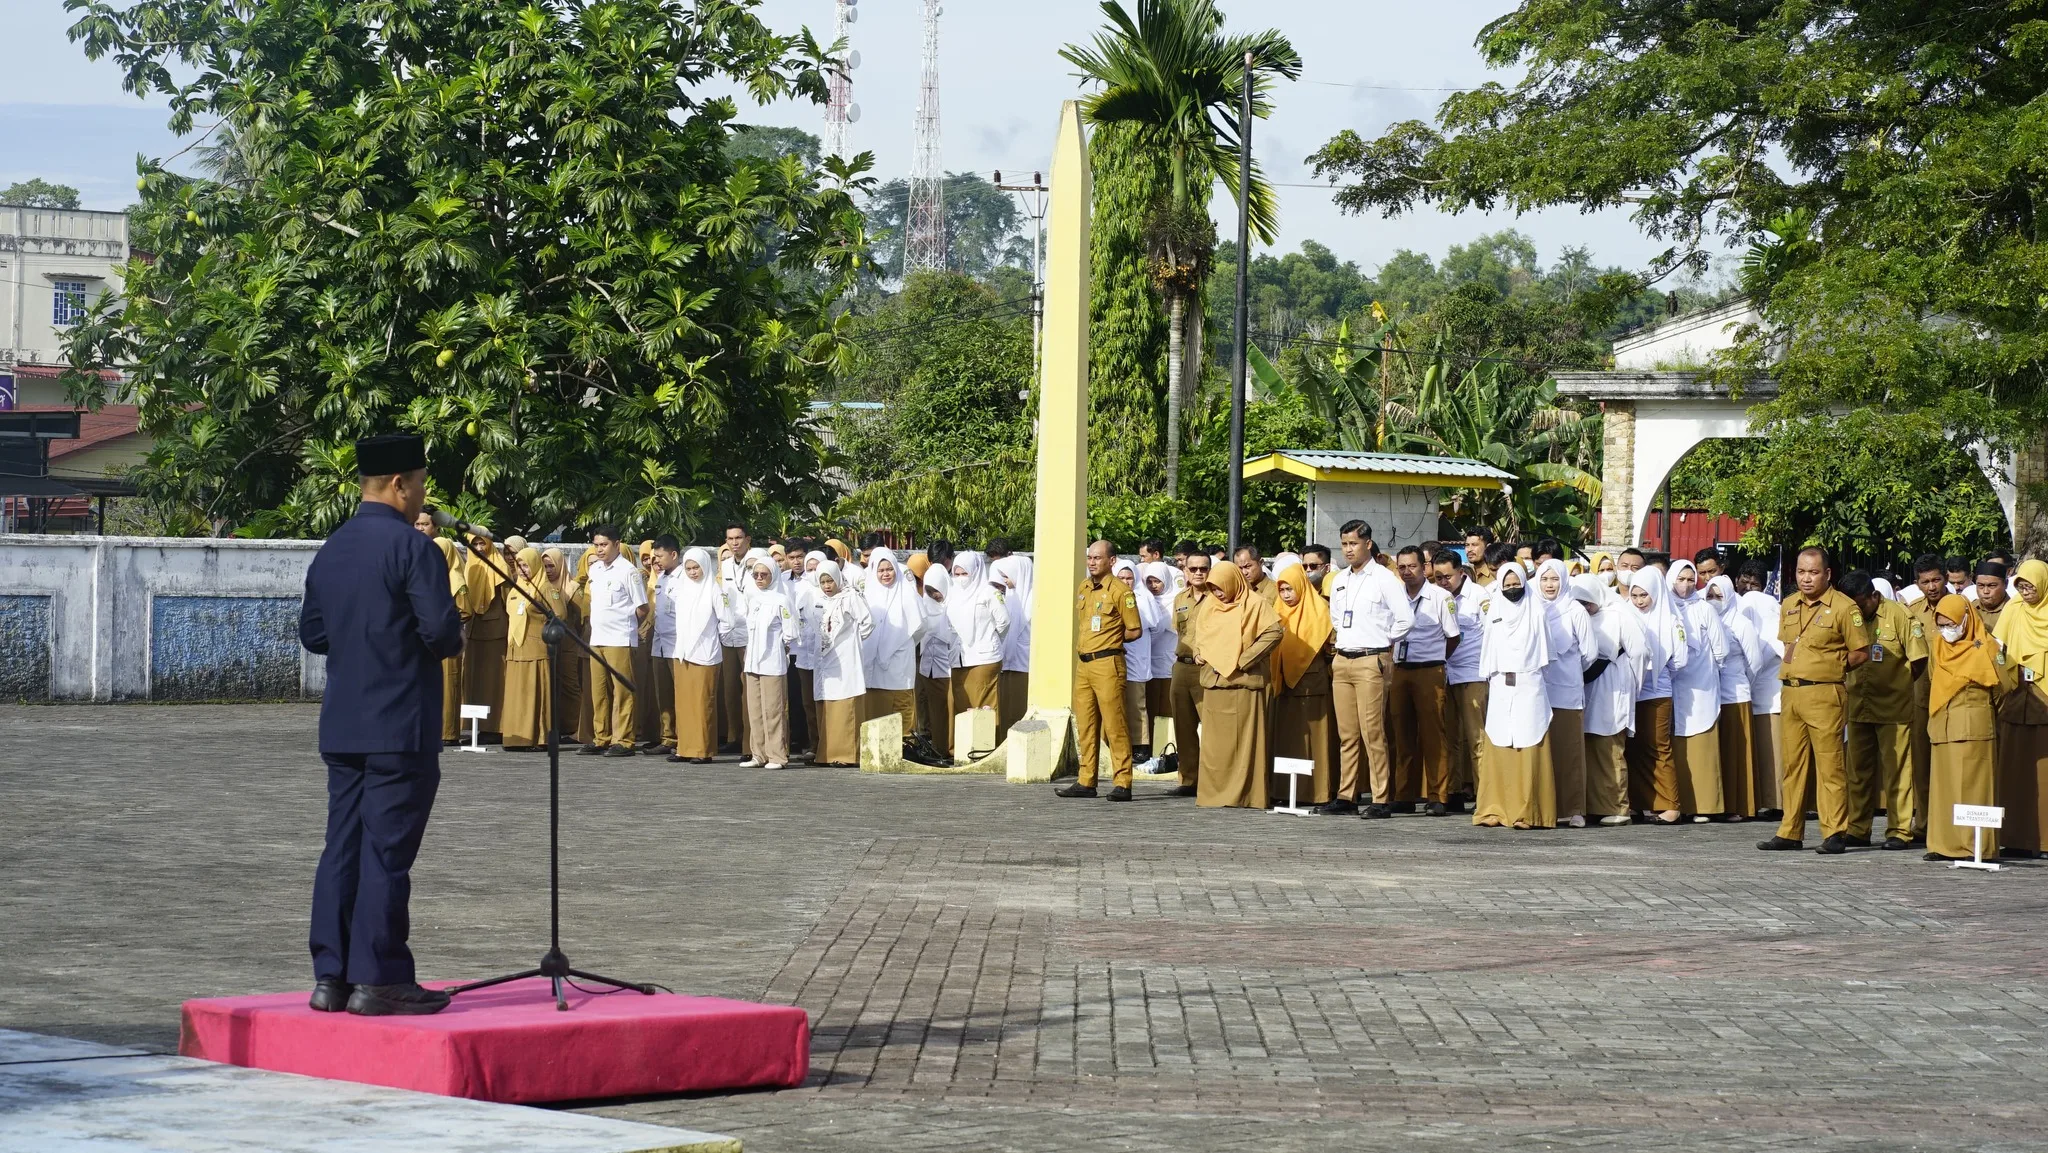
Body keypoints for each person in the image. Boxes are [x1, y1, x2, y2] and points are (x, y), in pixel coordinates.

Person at [299, 433, 464, 1016]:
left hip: (343, 724)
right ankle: (380, 978)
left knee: (342, 847)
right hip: (400, 725)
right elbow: (442, 634)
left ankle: (331, 977)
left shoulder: (333, 548)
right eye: (419, 483)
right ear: (399, 484)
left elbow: (313, 635)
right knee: (387, 853)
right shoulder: (413, 550)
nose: (422, 495)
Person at [1757, 547, 1871, 855]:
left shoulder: (1845, 608)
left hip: (1825, 693)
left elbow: (1861, 651)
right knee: (1793, 765)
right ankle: (1790, 831)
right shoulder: (1790, 604)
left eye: (1813, 572)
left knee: (1830, 766)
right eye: (1801, 572)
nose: (1806, 579)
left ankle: (1835, 831)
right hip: (1791, 691)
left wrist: (1833, 667)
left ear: (1827, 574)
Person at [1322, 520, 1414, 817]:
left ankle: (1381, 797)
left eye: (1353, 544)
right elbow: (1336, 616)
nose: (1348, 549)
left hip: (1371, 658)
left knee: (1372, 731)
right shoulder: (1339, 579)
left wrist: (1383, 640)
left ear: (1368, 544)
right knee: (1347, 733)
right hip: (1343, 657)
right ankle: (1346, 795)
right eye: (1344, 544)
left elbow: (1405, 619)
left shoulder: (1384, 579)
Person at [1188, 562, 1284, 808]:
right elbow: (1199, 633)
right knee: (1214, 747)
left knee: (1245, 745)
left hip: (1244, 684)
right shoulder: (1210, 605)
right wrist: (1198, 652)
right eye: (1213, 587)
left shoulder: (1255, 603)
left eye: (1221, 587)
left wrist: (1244, 660)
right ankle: (1213, 795)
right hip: (1214, 682)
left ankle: (1246, 795)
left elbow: (1274, 632)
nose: (1218, 592)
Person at [1842, 570, 1924, 849]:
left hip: (1893, 706)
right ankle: (1858, 828)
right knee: (1857, 771)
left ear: (1874, 596)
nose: (1858, 610)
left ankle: (1899, 831)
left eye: (1862, 604)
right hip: (1858, 702)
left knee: (1897, 771)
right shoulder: (1848, 615)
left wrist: (1898, 684)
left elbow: (1919, 660)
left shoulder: (1899, 615)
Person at [1055, 541, 1143, 800]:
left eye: (1097, 558)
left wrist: (1111, 640)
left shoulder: (1120, 591)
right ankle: (1086, 779)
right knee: (1085, 723)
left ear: (1112, 561)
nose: (1092, 562)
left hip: (1108, 662)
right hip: (1084, 663)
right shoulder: (1084, 588)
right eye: (1089, 557)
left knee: (1115, 724)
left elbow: (1134, 629)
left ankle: (1123, 781)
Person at [1474, 561, 1554, 829]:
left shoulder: (1537, 611)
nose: (1511, 589)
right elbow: (1487, 647)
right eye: (1506, 585)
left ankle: (1528, 813)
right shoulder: (1494, 610)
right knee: (1498, 746)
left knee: (1529, 747)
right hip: (1499, 685)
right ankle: (1493, 809)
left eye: (1516, 584)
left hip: (1529, 684)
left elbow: (1546, 653)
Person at [1926, 593, 2006, 862]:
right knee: (1943, 787)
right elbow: (1931, 677)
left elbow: (2005, 687)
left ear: (1966, 620)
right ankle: (1943, 845)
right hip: (1942, 724)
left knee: (1974, 787)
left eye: (1951, 623)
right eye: (1941, 624)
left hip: (1974, 729)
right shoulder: (1938, 646)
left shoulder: (1987, 647)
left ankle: (1975, 848)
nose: (1947, 630)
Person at [1390, 545, 1460, 815]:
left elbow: (1453, 637)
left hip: (1430, 669)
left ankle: (1438, 796)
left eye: (1412, 566)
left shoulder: (1440, 597)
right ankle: (1404, 794)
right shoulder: (1394, 596)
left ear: (1424, 568)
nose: (1407, 572)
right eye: (1402, 567)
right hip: (1400, 669)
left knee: (1433, 735)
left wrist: (1437, 660)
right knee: (1401, 734)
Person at [1992, 559, 2048, 858]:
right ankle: (2014, 837)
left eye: (2031, 586)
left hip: (2045, 698)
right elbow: (1997, 646)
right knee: (2014, 770)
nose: (2027, 592)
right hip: (2016, 694)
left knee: (2044, 773)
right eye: (2022, 586)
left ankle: (2044, 840)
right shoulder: (2013, 610)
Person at [1271, 559, 1338, 805]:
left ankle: (1317, 792)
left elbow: (1332, 648)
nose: (1286, 595)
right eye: (1282, 589)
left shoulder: (1321, 609)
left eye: (1290, 588)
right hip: (1283, 685)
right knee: (1287, 739)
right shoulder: (1276, 610)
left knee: (1315, 739)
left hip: (1312, 686)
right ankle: (1282, 791)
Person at [1535, 558, 1596, 826]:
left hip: (1568, 692)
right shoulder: (1532, 607)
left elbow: (1590, 653)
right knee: (1543, 752)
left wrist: (1569, 671)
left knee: (1569, 752)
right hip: (1538, 691)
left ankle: (1574, 809)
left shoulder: (1574, 610)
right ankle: (1547, 807)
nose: (1550, 585)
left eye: (1555, 579)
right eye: (1545, 579)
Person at [1579, 574, 1644, 825]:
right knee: (1590, 747)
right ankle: (1592, 805)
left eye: (1587, 602)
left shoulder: (1619, 614)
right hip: (1588, 689)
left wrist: (1633, 688)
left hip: (1613, 688)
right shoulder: (1579, 617)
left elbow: (1639, 652)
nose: (1584, 607)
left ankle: (1617, 807)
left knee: (1610, 749)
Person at [579, 526, 648, 757]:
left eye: (604, 544)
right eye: (596, 544)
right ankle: (601, 738)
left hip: (619, 638)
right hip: (597, 638)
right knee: (598, 691)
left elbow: (642, 608)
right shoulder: (595, 570)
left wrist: (627, 627)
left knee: (622, 691)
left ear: (617, 544)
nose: (600, 549)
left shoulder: (629, 572)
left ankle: (624, 740)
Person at [1666, 560, 1727, 820]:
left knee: (1702, 746)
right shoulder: (1664, 608)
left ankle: (1705, 806)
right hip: (1672, 685)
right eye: (1681, 579)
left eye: (1691, 580)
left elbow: (1721, 649)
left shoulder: (1704, 609)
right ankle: (1678, 804)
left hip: (1701, 685)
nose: (1686, 584)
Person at [662, 547, 734, 764]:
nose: (693, 572)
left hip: (705, 654)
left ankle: (702, 750)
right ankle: (685, 748)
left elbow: (727, 620)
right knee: (683, 704)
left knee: (703, 703)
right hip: (683, 653)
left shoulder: (714, 590)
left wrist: (714, 638)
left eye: (697, 568)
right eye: (689, 568)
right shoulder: (683, 589)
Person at [1624, 569, 1685, 824]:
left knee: (1659, 747)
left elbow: (1680, 660)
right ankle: (1641, 802)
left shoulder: (1671, 620)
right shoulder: (1627, 615)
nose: (1639, 601)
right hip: (1632, 691)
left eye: (1644, 595)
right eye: (1635, 595)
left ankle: (1671, 804)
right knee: (1635, 748)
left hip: (1657, 692)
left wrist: (1658, 673)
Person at [1705, 574, 1763, 819]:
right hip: (1711, 695)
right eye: (1710, 595)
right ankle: (1719, 804)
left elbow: (1756, 662)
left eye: (1719, 596)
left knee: (1736, 752)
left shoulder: (1740, 623)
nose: (1714, 601)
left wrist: (1742, 684)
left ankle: (1739, 806)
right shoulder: (1703, 618)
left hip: (1735, 695)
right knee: (1719, 753)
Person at [1438, 550, 1489, 809]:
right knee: (1450, 739)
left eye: (1448, 576)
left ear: (1461, 572)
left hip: (1473, 674)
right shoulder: (1438, 597)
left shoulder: (1479, 596)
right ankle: (1453, 792)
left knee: (1477, 739)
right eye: (1438, 577)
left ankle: (1485, 796)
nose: (1443, 581)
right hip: (1447, 673)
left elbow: (1492, 632)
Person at [810, 560, 873, 766]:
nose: (827, 586)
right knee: (826, 702)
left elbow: (867, 622)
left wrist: (852, 642)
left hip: (845, 658)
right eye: (823, 582)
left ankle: (847, 755)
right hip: (824, 659)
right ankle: (826, 754)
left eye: (830, 581)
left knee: (845, 703)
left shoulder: (850, 596)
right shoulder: (817, 599)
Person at [1902, 554, 1948, 842]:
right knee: (1921, 760)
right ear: (1917, 584)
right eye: (1925, 582)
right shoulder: (1913, 612)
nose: (1931, 586)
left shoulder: (1960, 609)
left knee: (1949, 761)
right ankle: (1924, 824)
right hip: (1920, 695)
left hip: (1951, 696)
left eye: (1935, 580)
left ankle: (1949, 824)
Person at [739, 555, 796, 769]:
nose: (759, 578)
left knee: (773, 710)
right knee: (754, 709)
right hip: (753, 661)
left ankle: (777, 756)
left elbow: (790, 631)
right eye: (756, 575)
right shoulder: (753, 598)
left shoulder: (782, 599)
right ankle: (758, 753)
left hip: (772, 661)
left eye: (764, 574)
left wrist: (783, 648)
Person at [860, 548, 924, 739]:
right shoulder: (868, 595)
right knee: (875, 702)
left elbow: (919, 626)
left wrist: (901, 644)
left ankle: (905, 744)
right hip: (872, 660)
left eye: (889, 569)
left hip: (899, 659)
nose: (885, 574)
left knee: (900, 702)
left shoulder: (907, 593)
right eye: (881, 571)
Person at [1738, 569, 1785, 816]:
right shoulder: (1772, 632)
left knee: (1773, 755)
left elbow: (1755, 665)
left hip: (1769, 702)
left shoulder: (1768, 637)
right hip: (1766, 700)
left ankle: (1776, 802)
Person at [498, 546, 555, 751]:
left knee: (535, 694)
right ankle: (517, 738)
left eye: (526, 565)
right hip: (515, 647)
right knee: (517, 694)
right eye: (519, 565)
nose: (522, 569)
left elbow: (559, 616)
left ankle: (538, 738)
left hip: (536, 648)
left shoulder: (544, 588)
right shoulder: (516, 589)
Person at [1168, 551, 1212, 798]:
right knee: (1183, 727)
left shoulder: (1217, 598)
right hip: (1181, 665)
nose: (1197, 573)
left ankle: (1210, 779)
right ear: (1185, 571)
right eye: (1192, 569)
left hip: (1206, 668)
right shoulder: (1179, 598)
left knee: (1211, 726)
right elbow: (1178, 631)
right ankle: (1188, 779)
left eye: (1202, 569)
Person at [947, 551, 1010, 723]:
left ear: (975, 571)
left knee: (984, 710)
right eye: (957, 574)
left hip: (984, 659)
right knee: (963, 710)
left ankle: (987, 749)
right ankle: (964, 748)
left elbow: (1003, 621)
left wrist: (991, 639)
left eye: (965, 573)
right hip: (959, 658)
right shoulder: (953, 593)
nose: (961, 578)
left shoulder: (988, 592)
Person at [462, 533, 510, 743]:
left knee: (494, 681)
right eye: (475, 544)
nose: (480, 548)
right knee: (474, 680)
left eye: (483, 543)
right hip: (473, 630)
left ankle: (494, 728)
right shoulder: (469, 567)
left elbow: (510, 600)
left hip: (495, 631)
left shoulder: (500, 567)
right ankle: (476, 728)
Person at [429, 537, 473, 746]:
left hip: (449, 639)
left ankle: (448, 732)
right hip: (431, 640)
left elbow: (465, 610)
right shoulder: (431, 576)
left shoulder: (456, 580)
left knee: (449, 685)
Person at [643, 537, 685, 754]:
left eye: (659, 556)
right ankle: (668, 737)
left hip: (678, 644)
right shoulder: (660, 578)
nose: (655, 561)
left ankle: (684, 737)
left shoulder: (684, 578)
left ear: (673, 555)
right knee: (664, 693)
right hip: (660, 643)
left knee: (681, 694)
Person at [1113, 558, 1158, 762]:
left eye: (1129, 577)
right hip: (1116, 655)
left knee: (1137, 704)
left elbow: (1153, 624)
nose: (1125, 581)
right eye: (1121, 577)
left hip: (1137, 656)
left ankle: (1141, 745)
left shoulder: (1143, 598)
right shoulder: (1112, 596)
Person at [917, 564, 959, 757]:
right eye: (929, 590)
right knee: (935, 711)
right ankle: (940, 748)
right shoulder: (923, 605)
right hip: (929, 668)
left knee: (950, 709)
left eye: (937, 590)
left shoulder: (954, 604)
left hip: (948, 666)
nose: (934, 595)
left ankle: (953, 747)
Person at [991, 553, 1035, 734]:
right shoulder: (1010, 597)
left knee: (1019, 708)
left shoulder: (1034, 600)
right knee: (1006, 709)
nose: (1005, 581)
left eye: (1007, 576)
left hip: (1024, 665)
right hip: (1007, 663)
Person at [1974, 561, 2011, 634]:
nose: (1985, 591)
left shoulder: (2015, 611)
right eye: (1981, 585)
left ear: (2005, 584)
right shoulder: (1970, 609)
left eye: (1992, 586)